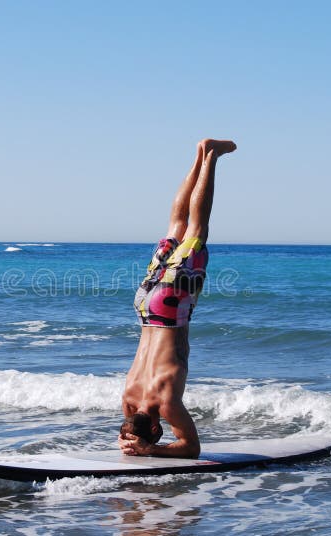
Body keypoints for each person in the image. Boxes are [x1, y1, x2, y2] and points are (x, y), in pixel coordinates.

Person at [119, 138, 236, 459]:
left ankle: (211, 156)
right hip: (145, 307)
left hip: (171, 310)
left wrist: (152, 450)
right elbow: (130, 422)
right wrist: (132, 439)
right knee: (176, 225)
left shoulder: (166, 402)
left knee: (196, 228)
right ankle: (199, 155)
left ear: (157, 429)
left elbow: (191, 449)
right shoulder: (129, 396)